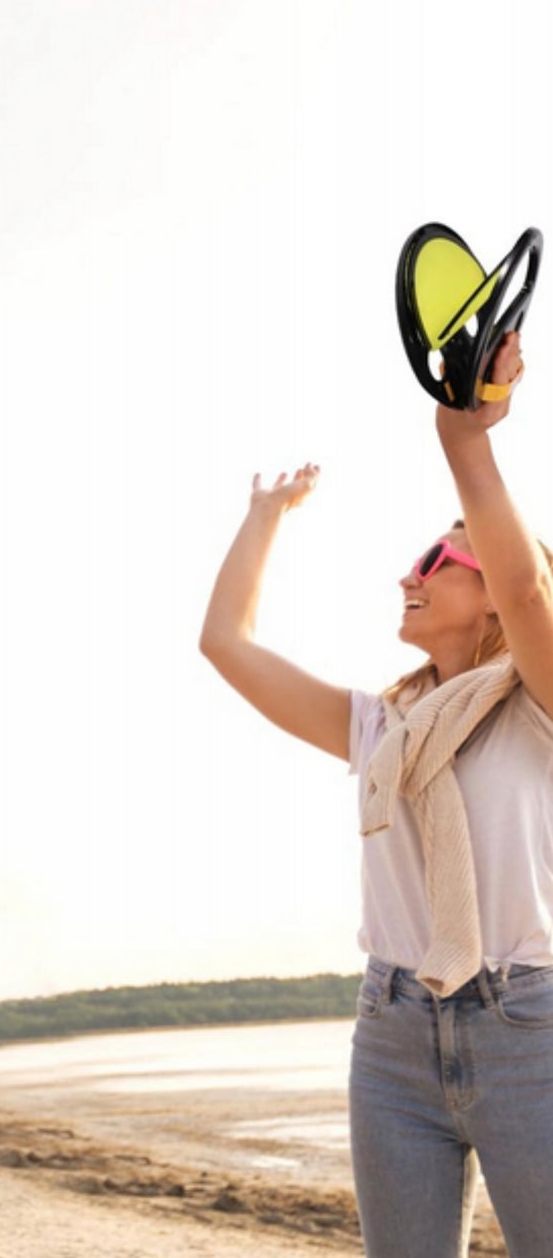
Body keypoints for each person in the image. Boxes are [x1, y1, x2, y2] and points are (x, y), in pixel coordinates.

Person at [200, 330, 553, 1257]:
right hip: (391, 1035)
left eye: (437, 560)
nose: (409, 573)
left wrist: (465, 440)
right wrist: (264, 516)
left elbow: (524, 586)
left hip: (529, 1030)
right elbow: (225, 645)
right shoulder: (379, 729)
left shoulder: (541, 702)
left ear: (488, 597)